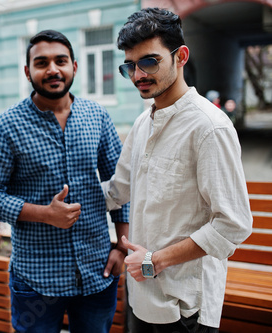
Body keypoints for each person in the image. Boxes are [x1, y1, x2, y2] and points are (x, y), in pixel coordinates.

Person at [102, 7, 253, 332]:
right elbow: (117, 191)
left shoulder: (210, 127)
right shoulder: (144, 122)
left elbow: (234, 224)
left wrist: (155, 261)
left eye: (149, 61)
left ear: (181, 56)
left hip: (186, 306)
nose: (138, 74)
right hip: (140, 294)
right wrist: (52, 199)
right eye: (130, 65)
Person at [0, 29, 130, 333]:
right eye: (42, 63)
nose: (53, 70)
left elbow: (121, 185)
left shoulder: (97, 116)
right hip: (36, 278)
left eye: (61, 61)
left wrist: (122, 247)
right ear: (28, 71)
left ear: (73, 65)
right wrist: (44, 214)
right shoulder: (7, 126)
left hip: (97, 271)